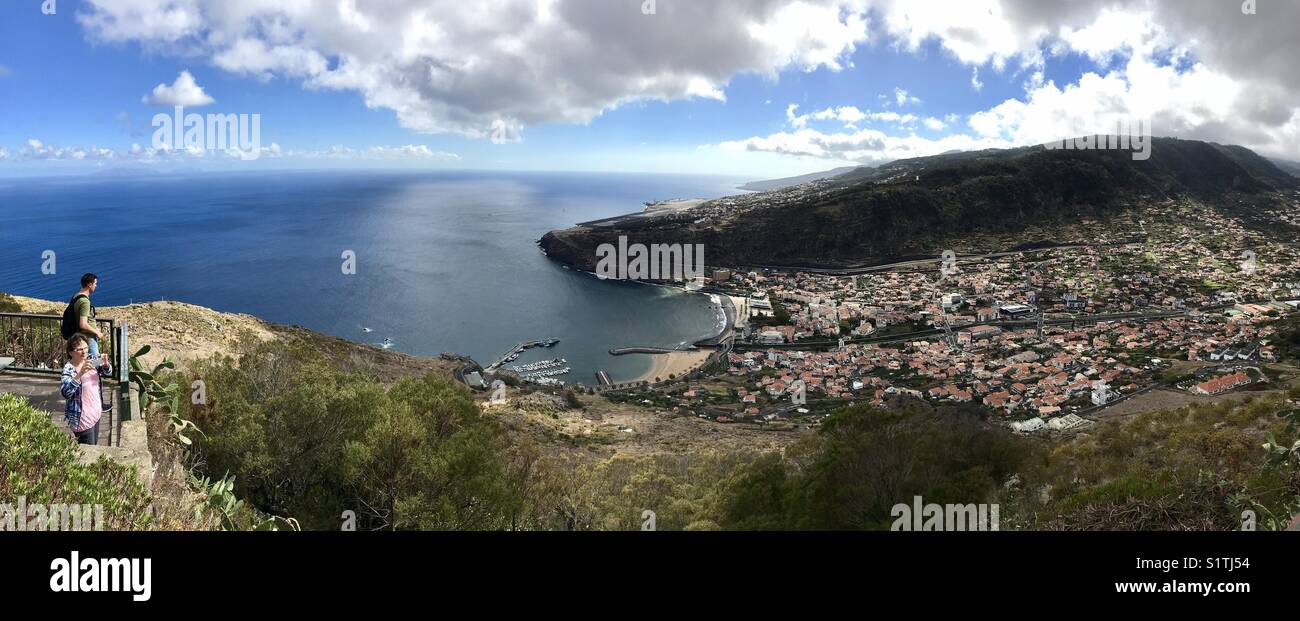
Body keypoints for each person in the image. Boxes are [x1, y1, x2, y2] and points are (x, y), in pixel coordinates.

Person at [60, 335, 112, 445]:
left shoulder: (91, 360)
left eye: (86, 348)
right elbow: (66, 392)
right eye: (79, 349)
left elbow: (108, 372)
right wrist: (80, 374)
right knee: (89, 452)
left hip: (95, 414)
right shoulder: (69, 369)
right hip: (82, 420)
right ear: (71, 352)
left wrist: (106, 365)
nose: (84, 352)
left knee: (95, 445)